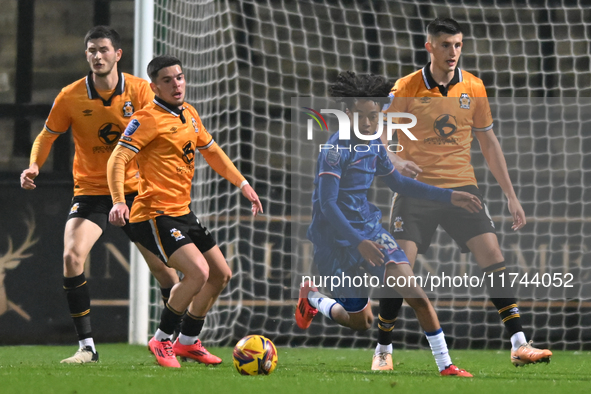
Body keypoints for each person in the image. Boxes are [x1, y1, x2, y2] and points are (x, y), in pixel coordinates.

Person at [375, 17, 552, 370]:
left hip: (461, 187)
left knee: (492, 253)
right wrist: (394, 159)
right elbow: (378, 132)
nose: (452, 52)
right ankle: (383, 349)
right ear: (430, 47)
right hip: (417, 190)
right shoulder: (406, 88)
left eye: (457, 44)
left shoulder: (474, 86)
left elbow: (488, 142)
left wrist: (511, 195)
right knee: (399, 268)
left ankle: (519, 343)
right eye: (445, 45)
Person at [296, 71, 480, 377]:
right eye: (362, 117)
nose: (369, 124)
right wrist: (358, 242)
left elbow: (399, 183)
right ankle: (314, 298)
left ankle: (446, 365)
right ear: (347, 113)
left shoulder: (374, 145)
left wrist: (450, 197)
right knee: (361, 322)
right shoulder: (334, 150)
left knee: (416, 295)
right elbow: (327, 206)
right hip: (335, 240)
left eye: (374, 117)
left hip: (370, 231)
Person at [19, 26, 178, 364]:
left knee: (167, 273)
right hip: (92, 191)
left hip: (137, 191)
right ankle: (87, 348)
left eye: (104, 49)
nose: (97, 56)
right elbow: (46, 136)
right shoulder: (71, 95)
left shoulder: (141, 91)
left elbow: (164, 133)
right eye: (91, 50)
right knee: (71, 257)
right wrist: (34, 165)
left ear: (117, 54)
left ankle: (174, 342)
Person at [107, 55, 263, 368]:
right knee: (197, 273)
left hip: (183, 211)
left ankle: (188, 342)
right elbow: (117, 159)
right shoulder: (146, 118)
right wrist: (119, 200)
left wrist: (242, 183)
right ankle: (162, 338)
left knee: (220, 274)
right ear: (154, 86)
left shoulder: (188, 113)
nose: (176, 84)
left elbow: (213, 152)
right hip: (154, 213)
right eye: (167, 80)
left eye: (179, 77)